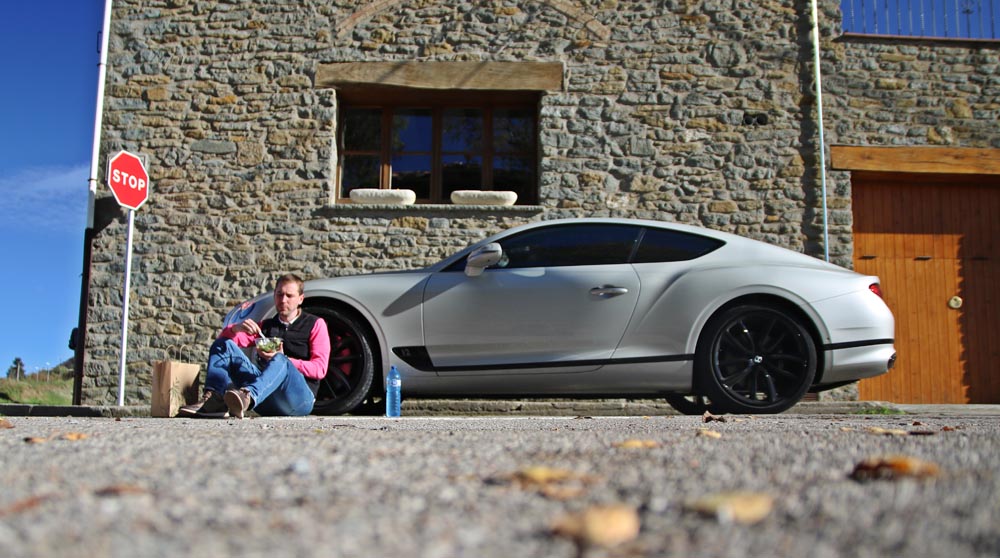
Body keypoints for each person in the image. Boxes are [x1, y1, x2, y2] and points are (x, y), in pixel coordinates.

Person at [179, 274, 330, 419]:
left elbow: (319, 369)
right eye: (279, 294)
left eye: (289, 296)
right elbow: (224, 343)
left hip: (299, 400)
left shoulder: (315, 324)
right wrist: (235, 329)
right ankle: (214, 401)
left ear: (300, 299)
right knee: (223, 344)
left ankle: (247, 395)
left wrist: (285, 360)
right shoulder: (266, 326)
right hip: (265, 399)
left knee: (280, 360)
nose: (283, 300)